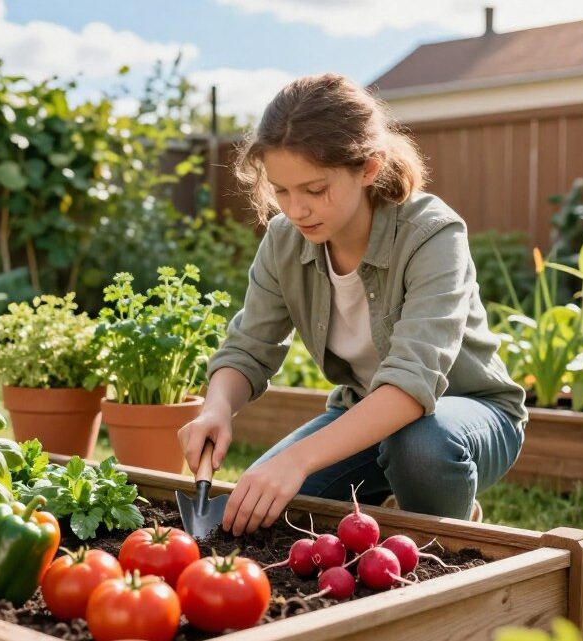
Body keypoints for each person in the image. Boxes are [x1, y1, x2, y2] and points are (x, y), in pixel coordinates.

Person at [177, 73, 527, 537]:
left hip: (465, 414)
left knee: (420, 445)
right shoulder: (285, 240)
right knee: (258, 512)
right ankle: (400, 503)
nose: (296, 209)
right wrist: (216, 408)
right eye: (282, 191)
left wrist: (298, 460)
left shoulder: (432, 234)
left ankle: (444, 533)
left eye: (315, 189)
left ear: (368, 167)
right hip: (362, 415)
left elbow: (411, 383)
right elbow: (249, 348)